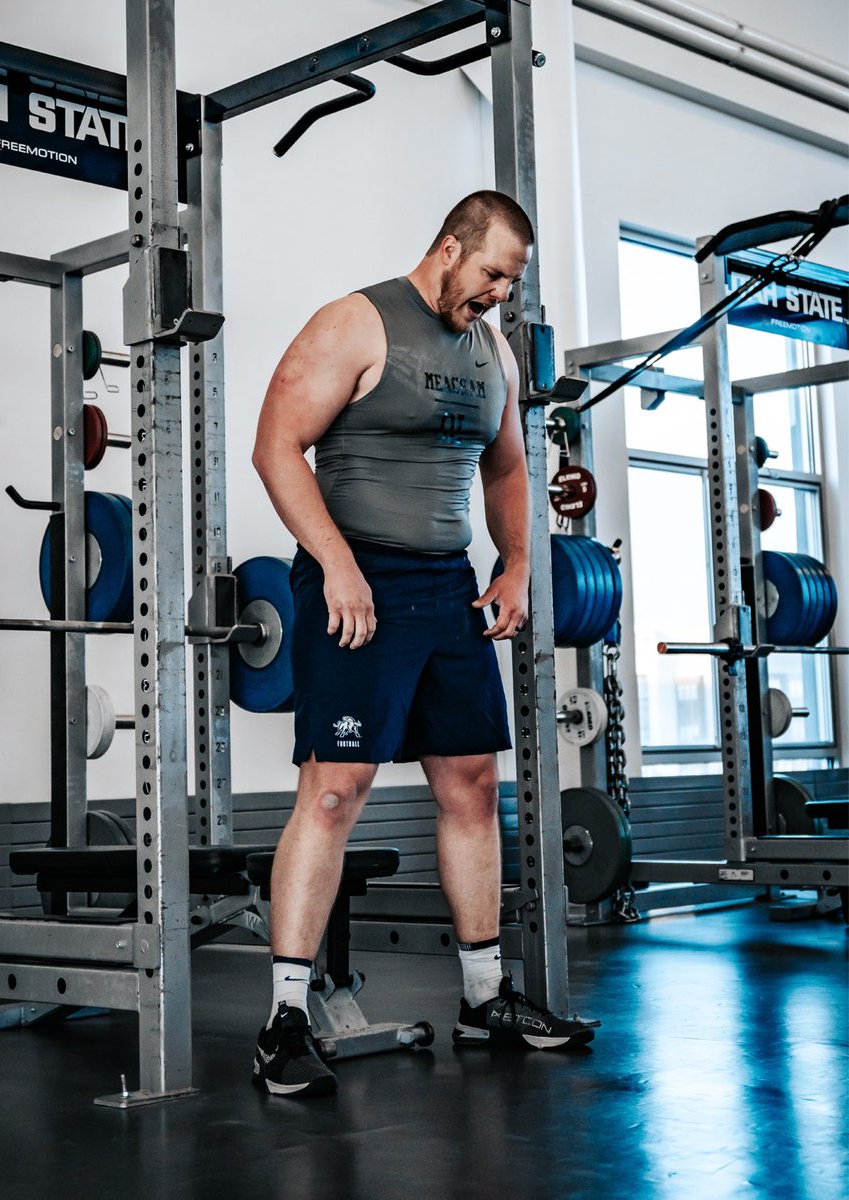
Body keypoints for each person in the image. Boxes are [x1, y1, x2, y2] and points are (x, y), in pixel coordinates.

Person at [250, 191, 593, 1098]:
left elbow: (509, 464)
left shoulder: (493, 353)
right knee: (333, 791)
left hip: (447, 587)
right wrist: (335, 565)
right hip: (355, 577)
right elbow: (276, 446)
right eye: (490, 276)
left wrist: (516, 565)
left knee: (473, 782)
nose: (497, 297)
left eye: (510, 285)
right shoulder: (357, 322)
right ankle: (284, 1019)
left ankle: (485, 999)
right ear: (450, 247)